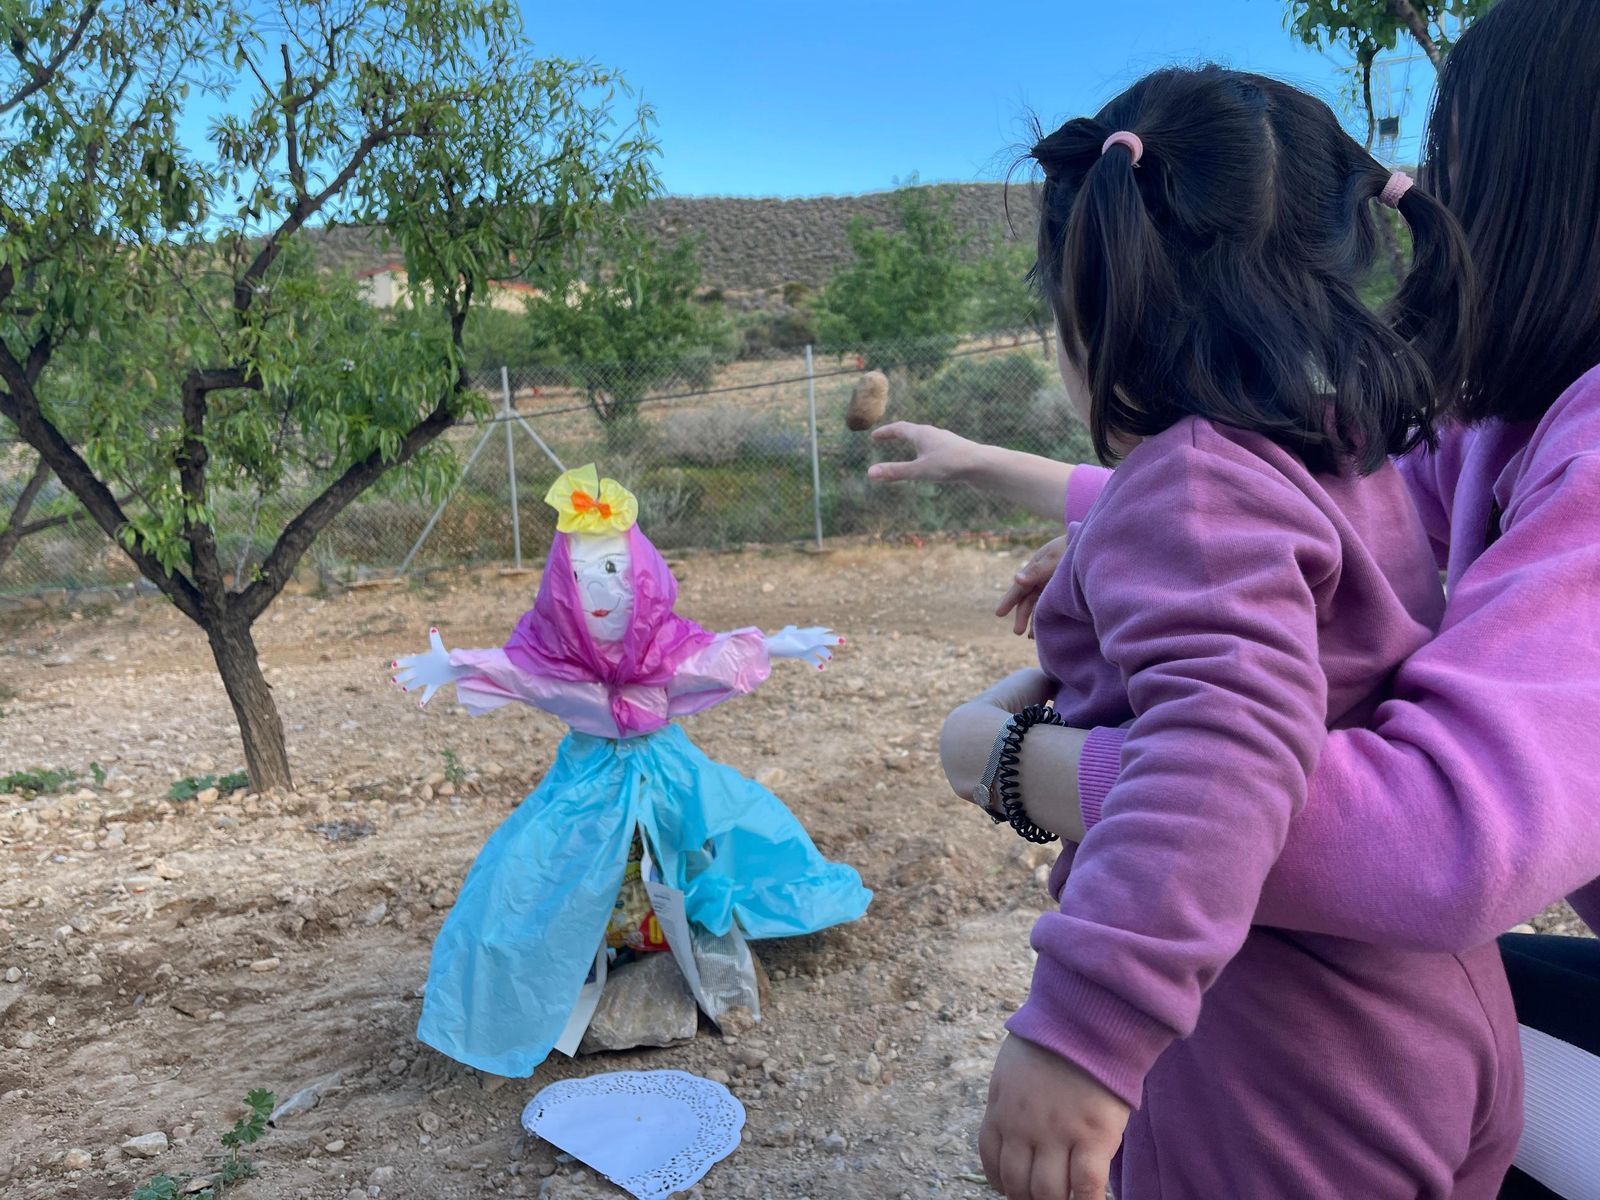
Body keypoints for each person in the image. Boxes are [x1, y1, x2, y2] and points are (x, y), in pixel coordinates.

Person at [878, 6, 1600, 1196]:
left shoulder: (1212, 492)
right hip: (1428, 1018)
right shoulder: (1362, 451)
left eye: (1460, 159)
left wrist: (1079, 1002)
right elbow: (1259, 539)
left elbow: (1237, 750)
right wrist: (1090, 531)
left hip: (1285, 1055)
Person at [390, 466, 871, 1075]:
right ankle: (565, 970)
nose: (602, 588)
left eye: (614, 570)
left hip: (665, 767)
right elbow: (512, 670)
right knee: (533, 870)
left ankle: (690, 940)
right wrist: (454, 666)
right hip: (587, 781)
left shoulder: (662, 651)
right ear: (561, 585)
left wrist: (778, 644)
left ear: (641, 576)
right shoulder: (552, 663)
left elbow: (709, 657)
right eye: (584, 574)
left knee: (733, 827)